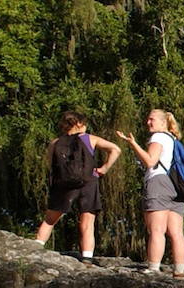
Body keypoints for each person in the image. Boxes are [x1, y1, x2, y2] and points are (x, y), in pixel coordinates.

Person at [34, 111, 120, 259]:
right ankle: (87, 258)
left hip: (62, 184)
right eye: (84, 123)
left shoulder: (55, 143)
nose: (86, 126)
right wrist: (104, 169)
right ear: (78, 124)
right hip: (88, 181)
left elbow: (49, 163)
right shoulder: (89, 139)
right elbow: (116, 149)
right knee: (87, 221)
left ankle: (35, 248)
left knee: (49, 220)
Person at [117, 108, 184, 277]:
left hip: (159, 182)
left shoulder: (158, 137)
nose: (148, 122)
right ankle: (179, 271)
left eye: (152, 119)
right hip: (178, 186)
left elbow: (150, 161)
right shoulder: (173, 139)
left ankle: (154, 268)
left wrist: (132, 144)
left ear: (163, 122)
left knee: (157, 229)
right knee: (177, 232)